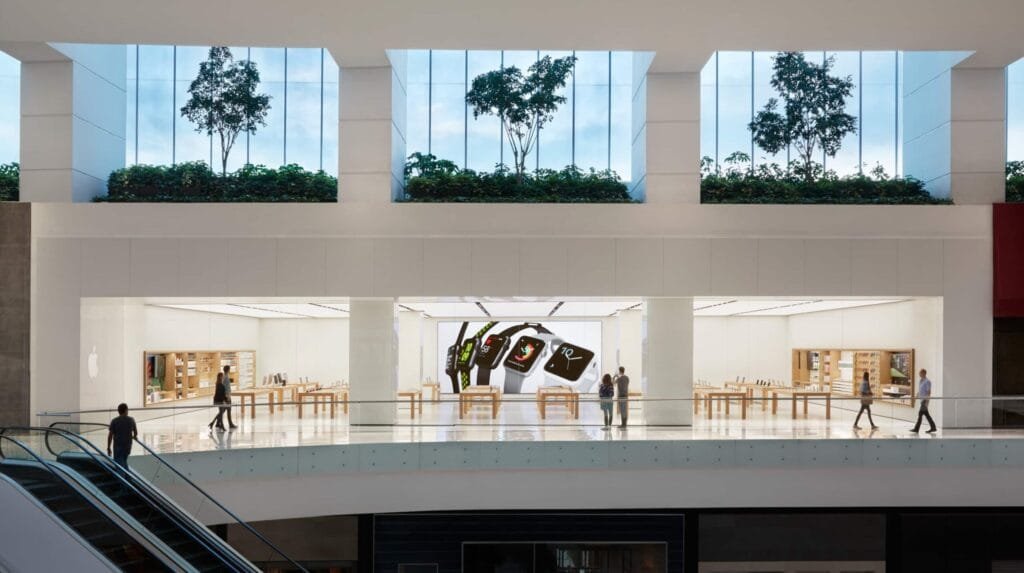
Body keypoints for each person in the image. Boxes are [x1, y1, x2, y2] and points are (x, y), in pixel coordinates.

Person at [106, 403, 137, 468]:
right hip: (128, 446)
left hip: (118, 446)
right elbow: (135, 433)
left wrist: (108, 447)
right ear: (126, 410)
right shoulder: (131, 420)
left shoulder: (114, 421)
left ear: (119, 411)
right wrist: (134, 436)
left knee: (119, 464)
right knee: (124, 461)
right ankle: (127, 474)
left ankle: (124, 474)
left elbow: (110, 435)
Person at [911, 368, 937, 433]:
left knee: (920, 414)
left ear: (924, 373)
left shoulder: (927, 381)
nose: (919, 374)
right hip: (921, 400)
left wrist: (926, 402)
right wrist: (915, 397)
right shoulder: (920, 381)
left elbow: (929, 392)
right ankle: (933, 427)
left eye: (920, 373)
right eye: (919, 373)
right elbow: (919, 391)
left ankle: (916, 429)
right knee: (926, 415)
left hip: (924, 400)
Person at [221, 364, 237, 429]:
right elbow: (226, 388)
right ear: (228, 370)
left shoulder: (224, 376)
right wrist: (228, 397)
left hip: (225, 396)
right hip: (227, 397)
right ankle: (230, 424)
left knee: (224, 410)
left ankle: (218, 422)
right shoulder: (226, 377)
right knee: (228, 410)